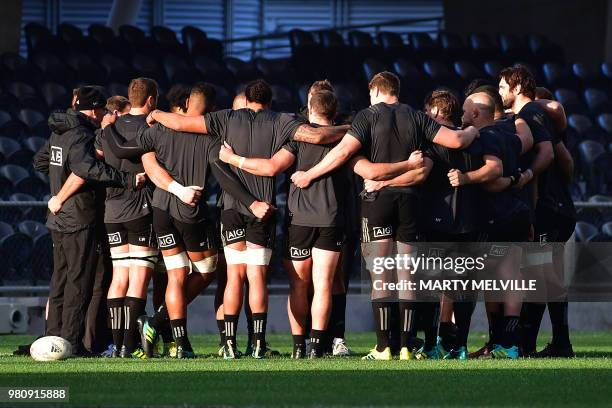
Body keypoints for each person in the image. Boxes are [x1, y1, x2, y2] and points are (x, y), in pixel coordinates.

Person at [144, 79, 349, 359]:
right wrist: (351, 129)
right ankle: (259, 346)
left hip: (230, 208)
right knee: (256, 278)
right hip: (262, 207)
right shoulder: (280, 121)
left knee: (233, 277)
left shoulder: (226, 118)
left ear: (246, 99)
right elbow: (316, 137)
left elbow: (180, 124)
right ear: (269, 101)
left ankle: (228, 345)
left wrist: (155, 114)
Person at [291, 71, 479, 360]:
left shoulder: (367, 117)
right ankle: (405, 345)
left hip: (376, 202)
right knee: (406, 274)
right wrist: (472, 131)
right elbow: (455, 140)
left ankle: (383, 347)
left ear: (375, 90)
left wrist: (309, 175)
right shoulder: (417, 116)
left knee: (381, 275)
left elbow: (344, 155)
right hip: (410, 202)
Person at [219, 91, 346, 358]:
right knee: (323, 285)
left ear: (310, 108)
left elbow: (271, 167)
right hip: (331, 217)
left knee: (297, 284)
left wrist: (234, 160)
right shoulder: (345, 138)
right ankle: (315, 346)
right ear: (335, 112)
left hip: (299, 218)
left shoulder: (296, 138)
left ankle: (298, 347)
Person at [33, 86, 143, 356]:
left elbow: (40, 162)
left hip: (57, 218)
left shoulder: (59, 131)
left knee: (59, 280)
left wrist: (60, 177)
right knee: (78, 282)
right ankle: (70, 341)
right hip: (79, 216)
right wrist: (126, 179)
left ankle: (52, 337)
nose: (104, 113)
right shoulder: (83, 134)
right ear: (94, 110)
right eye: (102, 109)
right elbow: (86, 169)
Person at [452, 92, 533, 359]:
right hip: (517, 215)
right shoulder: (510, 137)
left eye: (465, 110)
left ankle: (498, 342)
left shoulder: (483, 137)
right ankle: (506, 343)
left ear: (476, 114)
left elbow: (493, 170)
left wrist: (465, 178)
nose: (461, 115)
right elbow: (527, 143)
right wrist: (515, 180)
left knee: (489, 282)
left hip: (495, 218)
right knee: (510, 279)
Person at [94, 78, 160, 359]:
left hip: (112, 210)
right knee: (139, 277)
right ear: (151, 100)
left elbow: (97, 156)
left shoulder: (108, 129)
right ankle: (130, 345)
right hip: (139, 209)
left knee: (118, 276)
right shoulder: (153, 128)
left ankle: (117, 345)